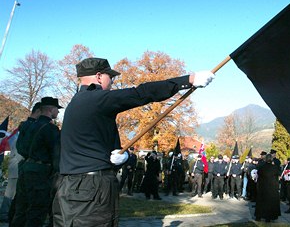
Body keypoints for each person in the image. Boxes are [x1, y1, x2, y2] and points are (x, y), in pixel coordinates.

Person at [52, 57, 214, 226]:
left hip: (69, 186)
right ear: (99, 76)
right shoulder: (97, 99)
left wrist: (114, 158)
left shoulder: (74, 104)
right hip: (91, 188)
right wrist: (188, 80)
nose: (113, 82)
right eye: (111, 77)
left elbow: (88, 145)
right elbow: (141, 93)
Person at [11, 97, 61, 227]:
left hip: (25, 168)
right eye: (57, 109)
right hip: (41, 173)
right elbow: (56, 153)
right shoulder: (51, 129)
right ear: (51, 109)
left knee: (21, 209)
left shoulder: (28, 126)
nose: (58, 112)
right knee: (37, 211)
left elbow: (20, 147)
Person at [0, 102, 40, 223]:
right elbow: (15, 145)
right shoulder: (22, 129)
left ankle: (9, 214)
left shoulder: (25, 128)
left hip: (20, 164)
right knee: (11, 192)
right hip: (17, 165)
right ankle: (4, 214)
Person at [254, 154, 281, 222]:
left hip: (263, 187)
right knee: (270, 203)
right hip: (271, 188)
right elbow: (278, 174)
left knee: (261, 202)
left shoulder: (262, 167)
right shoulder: (274, 167)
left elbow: (259, 173)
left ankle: (259, 217)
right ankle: (268, 217)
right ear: (271, 159)